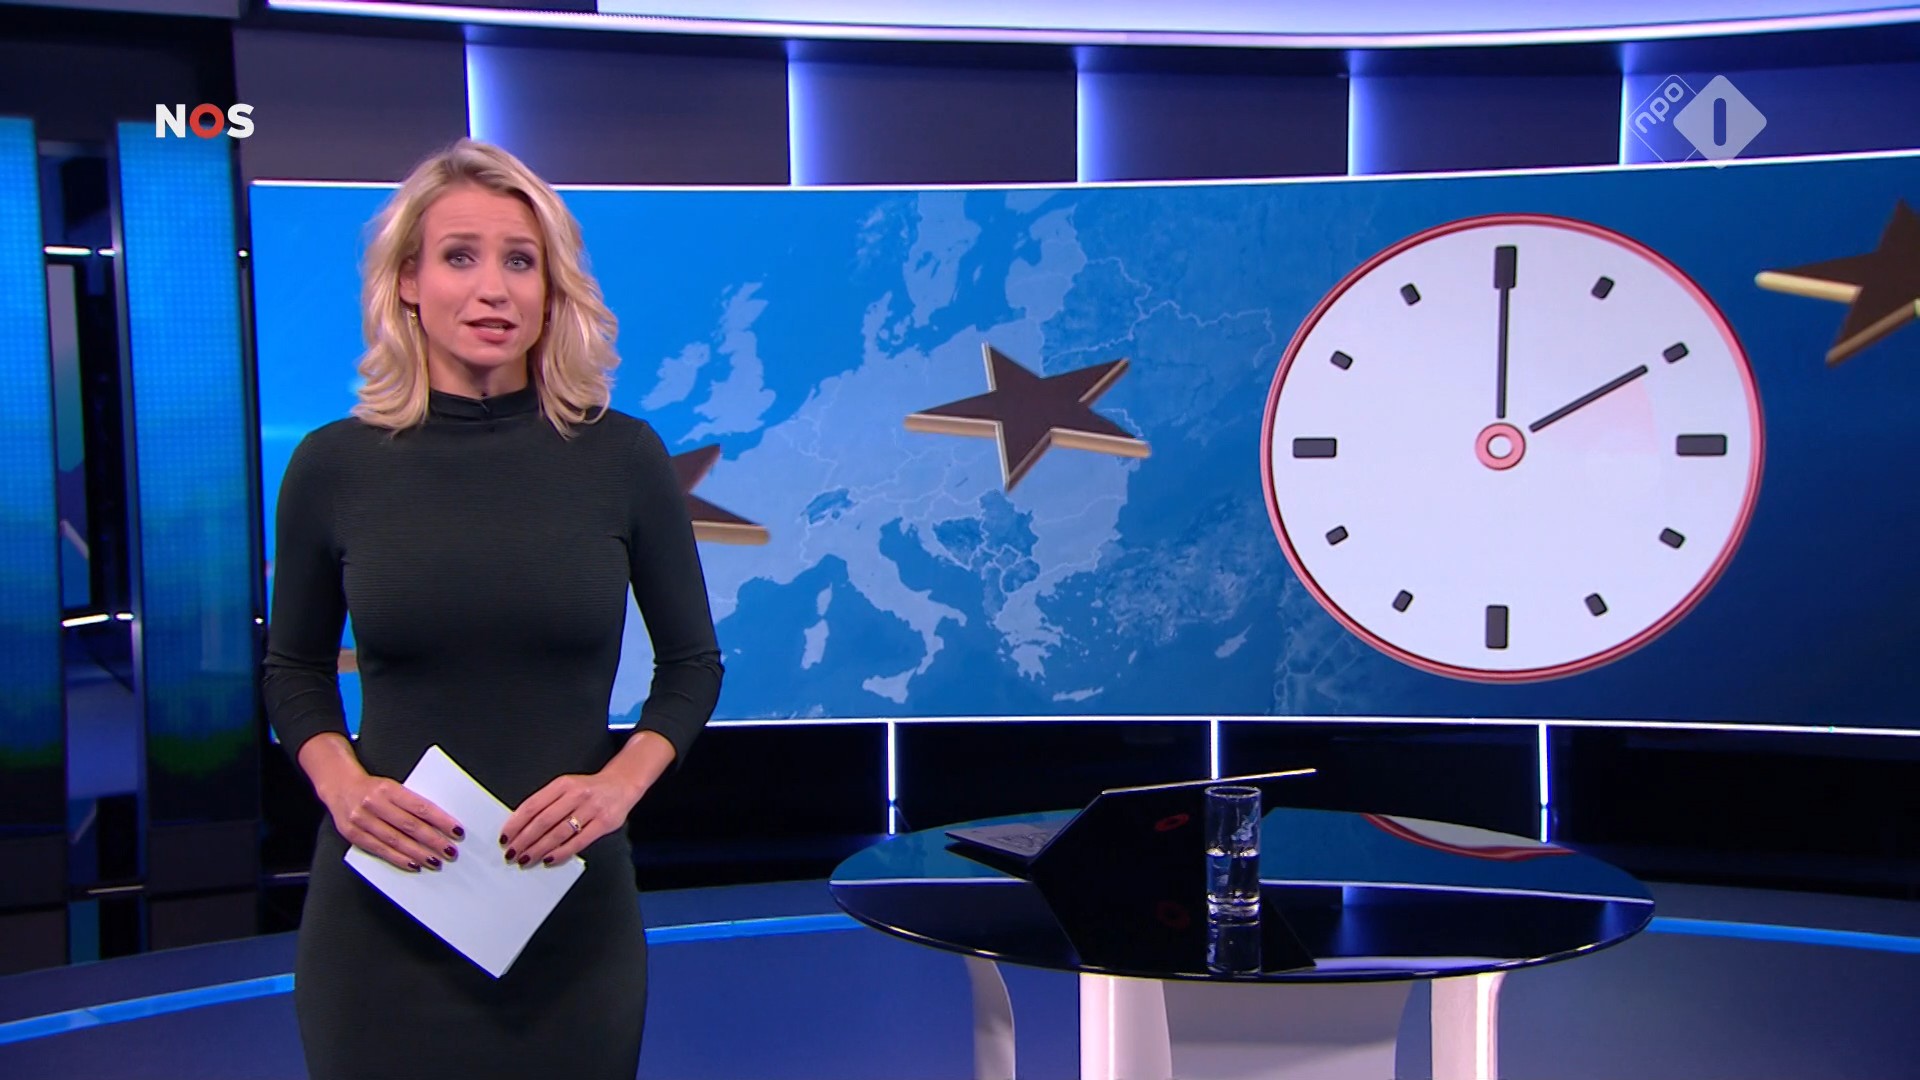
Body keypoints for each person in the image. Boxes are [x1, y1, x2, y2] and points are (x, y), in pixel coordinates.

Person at [263, 137, 724, 1080]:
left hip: (569, 914)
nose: (492, 290)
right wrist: (344, 788)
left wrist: (616, 787)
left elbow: (691, 666)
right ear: (406, 282)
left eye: (520, 261)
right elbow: (294, 670)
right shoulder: (332, 466)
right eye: (459, 257)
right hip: (385, 910)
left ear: (552, 290)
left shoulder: (622, 458)